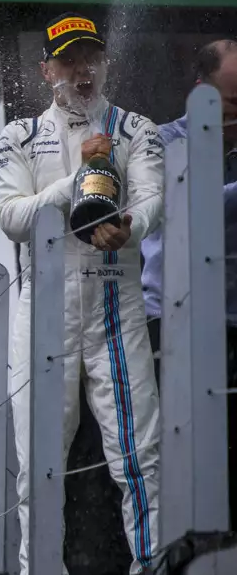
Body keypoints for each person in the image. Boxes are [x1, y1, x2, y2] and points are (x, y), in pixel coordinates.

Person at [0, 12, 164, 575]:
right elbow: (11, 217)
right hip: (43, 311)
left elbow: (152, 199)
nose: (80, 69)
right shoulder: (18, 135)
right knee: (38, 463)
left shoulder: (137, 128)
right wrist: (75, 181)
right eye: (67, 59)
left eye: (89, 56)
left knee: (141, 456)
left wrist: (129, 227)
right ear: (46, 71)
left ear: (104, 63)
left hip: (117, 301)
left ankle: (153, 567)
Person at [141, 38, 237, 524]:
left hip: (232, 330)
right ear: (200, 92)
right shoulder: (157, 145)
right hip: (172, 332)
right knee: (181, 468)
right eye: (233, 105)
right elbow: (190, 204)